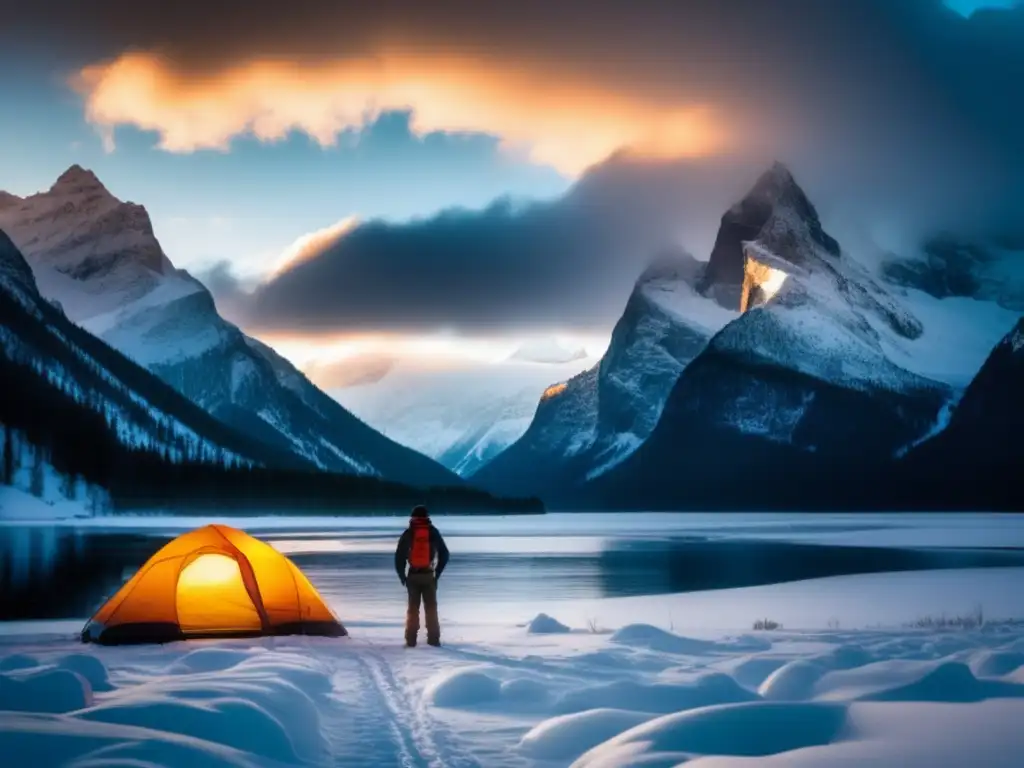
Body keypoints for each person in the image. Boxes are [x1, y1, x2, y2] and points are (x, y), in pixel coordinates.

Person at [394, 505, 449, 647]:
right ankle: (434, 640)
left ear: (412, 517)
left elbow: (399, 557)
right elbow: (445, 554)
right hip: (429, 574)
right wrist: (437, 573)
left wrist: (402, 577)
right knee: (431, 608)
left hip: (413, 575)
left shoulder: (409, 533)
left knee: (413, 609)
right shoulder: (433, 532)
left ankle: (411, 640)